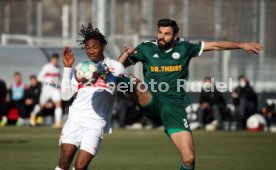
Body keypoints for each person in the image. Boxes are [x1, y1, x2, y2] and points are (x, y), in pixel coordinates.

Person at [118, 18, 262, 170]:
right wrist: (124, 55)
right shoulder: (146, 48)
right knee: (133, 82)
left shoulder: (185, 47)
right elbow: (117, 67)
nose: (161, 36)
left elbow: (215, 45)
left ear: (175, 36)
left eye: (167, 34)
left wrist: (242, 45)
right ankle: (115, 86)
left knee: (189, 159)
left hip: (174, 107)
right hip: (152, 101)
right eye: (160, 32)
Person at [55, 23, 125, 170]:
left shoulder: (115, 66)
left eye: (94, 46)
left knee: (80, 167)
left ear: (103, 46)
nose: (91, 50)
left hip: (96, 123)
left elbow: (113, 88)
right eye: (87, 47)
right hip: (75, 119)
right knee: (63, 162)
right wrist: (68, 68)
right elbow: (66, 96)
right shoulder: (81, 68)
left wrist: (103, 73)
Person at [30, 53, 63, 128]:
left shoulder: (58, 68)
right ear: (51, 59)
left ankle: (58, 123)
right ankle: (33, 115)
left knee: (58, 103)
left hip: (55, 89)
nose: (55, 61)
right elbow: (39, 78)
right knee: (41, 105)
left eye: (56, 60)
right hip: (46, 89)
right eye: (54, 59)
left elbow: (59, 79)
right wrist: (48, 81)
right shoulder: (46, 67)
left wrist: (61, 86)